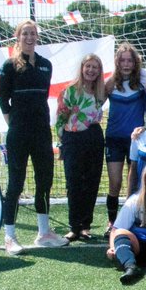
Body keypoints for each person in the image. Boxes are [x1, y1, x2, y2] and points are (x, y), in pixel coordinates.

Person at [0, 20, 68, 255]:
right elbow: (2, 101)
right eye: (25, 33)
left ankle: (44, 233)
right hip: (18, 133)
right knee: (15, 184)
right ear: (17, 37)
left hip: (41, 133)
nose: (29, 37)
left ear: (37, 37)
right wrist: (15, 124)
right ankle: (10, 236)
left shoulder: (46, 65)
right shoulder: (9, 66)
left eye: (33, 33)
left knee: (44, 180)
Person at [55, 52, 106, 242]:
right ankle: (74, 226)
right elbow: (60, 118)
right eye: (88, 66)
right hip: (73, 138)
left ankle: (86, 226)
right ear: (82, 68)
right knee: (74, 183)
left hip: (93, 136)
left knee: (91, 182)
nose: (91, 70)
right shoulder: (69, 91)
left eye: (95, 67)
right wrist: (63, 143)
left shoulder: (101, 92)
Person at [103, 42, 146, 230]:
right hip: (113, 139)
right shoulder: (110, 83)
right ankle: (112, 222)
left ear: (135, 62)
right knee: (115, 183)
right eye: (122, 60)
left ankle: (133, 219)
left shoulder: (143, 80)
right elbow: (94, 102)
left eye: (130, 60)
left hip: (135, 141)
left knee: (136, 183)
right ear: (117, 62)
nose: (126, 64)